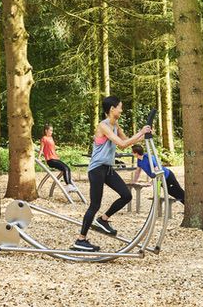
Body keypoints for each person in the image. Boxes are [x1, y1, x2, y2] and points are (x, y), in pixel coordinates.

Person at [71, 96, 151, 252]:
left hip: (107, 168)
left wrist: (144, 134)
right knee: (95, 205)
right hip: (96, 169)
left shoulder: (116, 125)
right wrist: (140, 132)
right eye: (120, 107)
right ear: (112, 109)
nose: (121, 110)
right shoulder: (103, 126)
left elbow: (126, 142)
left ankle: (103, 219)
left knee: (126, 195)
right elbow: (121, 144)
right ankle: (80, 240)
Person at [39, 124, 78, 192]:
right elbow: (41, 149)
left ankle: (69, 185)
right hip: (50, 160)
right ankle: (68, 185)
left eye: (52, 130)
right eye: (50, 130)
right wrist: (39, 158)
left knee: (67, 168)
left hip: (55, 159)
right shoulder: (44, 138)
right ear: (46, 131)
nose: (52, 132)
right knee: (65, 168)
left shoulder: (51, 138)